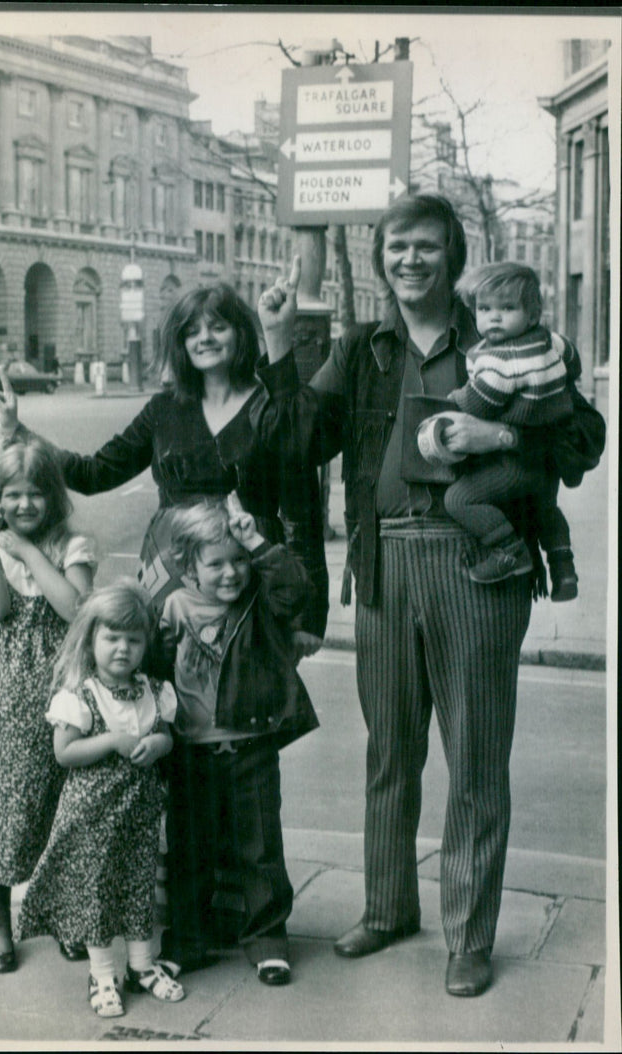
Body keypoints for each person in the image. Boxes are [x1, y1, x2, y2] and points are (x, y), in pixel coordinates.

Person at [254, 194, 602, 998]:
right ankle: (386, 909)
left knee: (476, 759)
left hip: (478, 564)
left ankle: (469, 937)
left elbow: (585, 439)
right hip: (383, 567)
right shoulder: (364, 349)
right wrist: (279, 346)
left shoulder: (505, 334)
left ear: (453, 255)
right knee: (389, 753)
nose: (410, 260)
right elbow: (296, 444)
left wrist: (503, 434)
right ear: (382, 260)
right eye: (397, 248)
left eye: (427, 248)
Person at [0, 282, 329, 656]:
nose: (205, 339)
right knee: (166, 693)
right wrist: (17, 431)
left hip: (245, 575)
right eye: (192, 331)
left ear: (240, 333)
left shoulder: (270, 408)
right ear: (180, 343)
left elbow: (303, 512)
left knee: (241, 693)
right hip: (169, 574)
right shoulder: (164, 409)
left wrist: (309, 618)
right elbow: (94, 473)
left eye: (217, 327)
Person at [0, 436, 96, 974]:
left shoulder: (71, 547)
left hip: (60, 684)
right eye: (12, 496)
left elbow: (76, 608)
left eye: (35, 495)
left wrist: (28, 549)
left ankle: (62, 913)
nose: (24, 505)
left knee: (62, 799)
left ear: (54, 497)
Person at [156, 493, 319, 988]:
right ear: (191, 566)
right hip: (192, 752)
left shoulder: (260, 599)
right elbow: (156, 665)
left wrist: (257, 542)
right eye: (217, 564)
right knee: (189, 852)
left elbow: (297, 592)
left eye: (239, 561)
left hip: (251, 746)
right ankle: (187, 941)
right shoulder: (176, 606)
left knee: (260, 848)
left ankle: (268, 940)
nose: (231, 573)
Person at [15, 581, 184, 1019]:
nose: (123, 649)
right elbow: (64, 752)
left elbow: (165, 734)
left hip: (139, 815)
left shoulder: (153, 690)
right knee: (97, 892)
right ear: (92, 639)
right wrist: (112, 740)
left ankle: (142, 966)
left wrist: (159, 746)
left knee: (139, 886)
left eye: (133, 639)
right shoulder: (81, 695)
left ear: (146, 643)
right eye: (111, 638)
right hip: (93, 817)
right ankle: (102, 973)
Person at [435, 261, 579, 599]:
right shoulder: (551, 341)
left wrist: (454, 397)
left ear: (532, 315)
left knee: (458, 499)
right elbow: (573, 362)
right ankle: (564, 568)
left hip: (515, 462)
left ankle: (510, 552)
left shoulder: (502, 361)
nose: (494, 317)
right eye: (485, 308)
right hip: (546, 453)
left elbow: (479, 404)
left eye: (507, 308)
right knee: (546, 508)